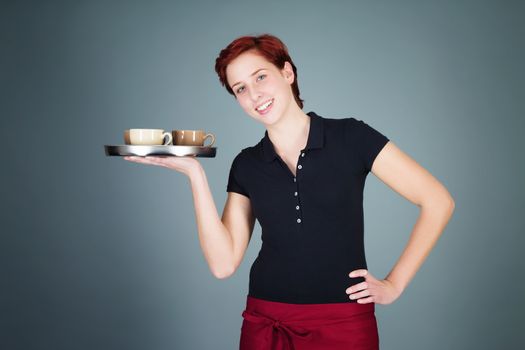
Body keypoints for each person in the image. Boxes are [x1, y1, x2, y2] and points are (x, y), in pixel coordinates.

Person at [124, 34, 455, 350]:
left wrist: (394, 284)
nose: (254, 95)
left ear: (287, 72)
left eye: (260, 77)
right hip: (266, 320)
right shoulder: (247, 164)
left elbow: (438, 201)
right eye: (240, 88)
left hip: (344, 323)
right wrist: (194, 173)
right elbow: (223, 264)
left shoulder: (351, 137)